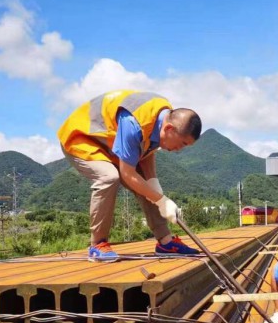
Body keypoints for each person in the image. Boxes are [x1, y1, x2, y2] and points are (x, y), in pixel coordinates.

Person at [58, 90, 202, 261]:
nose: (180, 149)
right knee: (108, 177)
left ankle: (165, 242)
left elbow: (147, 150)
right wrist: (161, 200)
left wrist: (152, 181)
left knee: (147, 188)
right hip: (83, 138)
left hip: (111, 143)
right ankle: (97, 244)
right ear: (169, 129)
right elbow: (127, 174)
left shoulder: (164, 118)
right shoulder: (134, 123)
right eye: (182, 143)